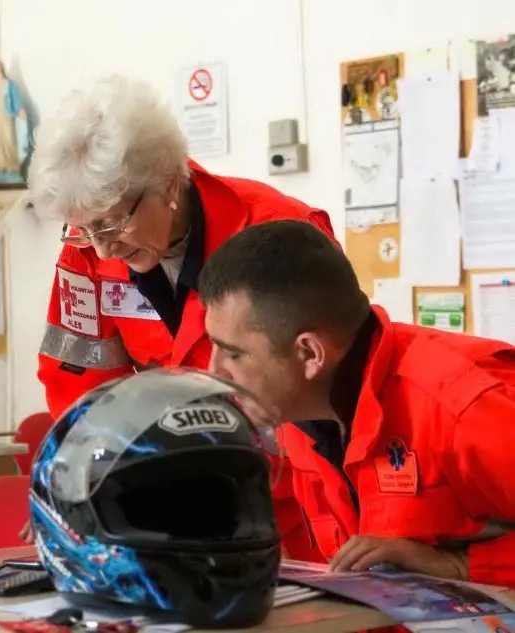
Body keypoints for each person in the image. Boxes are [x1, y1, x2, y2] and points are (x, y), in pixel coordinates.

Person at [25, 73, 335, 560]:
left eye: (111, 221)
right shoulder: (86, 253)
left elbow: (324, 391)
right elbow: (79, 384)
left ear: (168, 184)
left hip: (288, 511)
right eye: (82, 228)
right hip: (164, 514)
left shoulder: (277, 234)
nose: (102, 245)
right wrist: (78, 483)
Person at [198, 219, 515, 587]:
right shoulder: (299, 411)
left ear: (310, 353)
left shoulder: (465, 406)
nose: (214, 370)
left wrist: (457, 565)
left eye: (233, 354)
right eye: (214, 345)